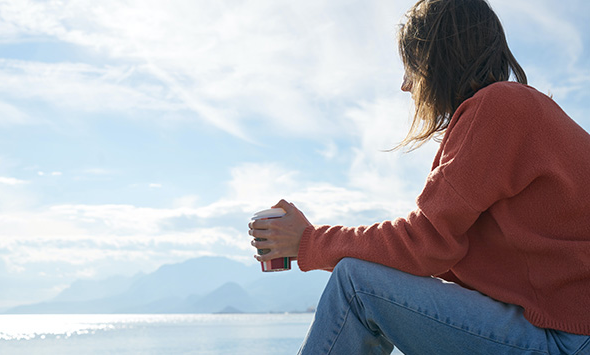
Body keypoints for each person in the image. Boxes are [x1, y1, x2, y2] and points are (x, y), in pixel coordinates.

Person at [247, 0, 590, 354]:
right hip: (569, 330)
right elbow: (439, 253)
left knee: (355, 284)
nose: (405, 86)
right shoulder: (527, 112)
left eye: (411, 66)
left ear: (436, 60)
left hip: (568, 340)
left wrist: (309, 242)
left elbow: (426, 243)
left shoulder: (499, 108)